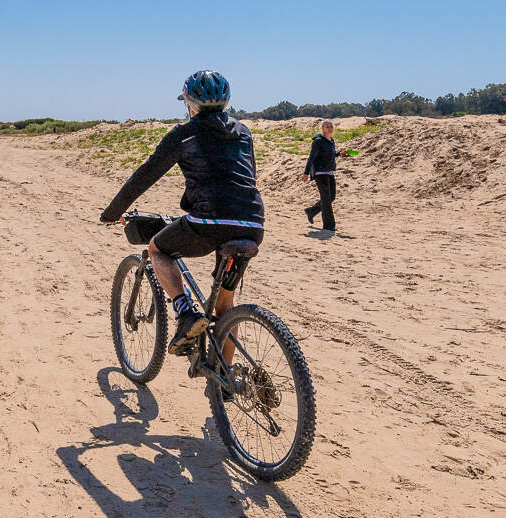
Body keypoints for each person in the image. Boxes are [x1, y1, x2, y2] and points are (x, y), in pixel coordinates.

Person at [99, 71, 264, 369]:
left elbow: (144, 176)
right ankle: (224, 381)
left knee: (158, 250)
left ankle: (185, 313)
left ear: (189, 103)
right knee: (225, 304)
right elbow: (248, 176)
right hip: (252, 223)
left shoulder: (183, 133)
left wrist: (112, 212)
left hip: (208, 223)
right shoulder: (244, 132)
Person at [303, 120, 340, 231]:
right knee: (326, 200)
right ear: (322, 129)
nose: (329, 128)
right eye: (326, 126)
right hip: (320, 174)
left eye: (331, 126)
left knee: (331, 197)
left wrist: (340, 154)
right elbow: (311, 158)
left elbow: (332, 155)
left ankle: (311, 211)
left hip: (329, 172)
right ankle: (329, 226)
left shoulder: (331, 141)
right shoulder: (318, 141)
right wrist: (306, 173)